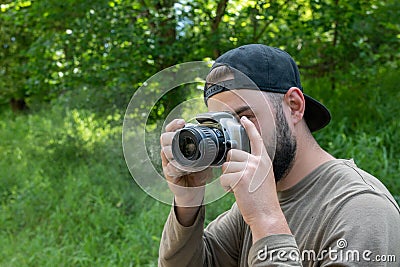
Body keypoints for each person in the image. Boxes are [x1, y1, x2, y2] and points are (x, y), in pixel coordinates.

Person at [158, 44, 400, 266]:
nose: (232, 138)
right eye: (221, 125)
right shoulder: (256, 204)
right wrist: (187, 202)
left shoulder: (362, 210)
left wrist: (266, 221)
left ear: (294, 106)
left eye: (245, 117)